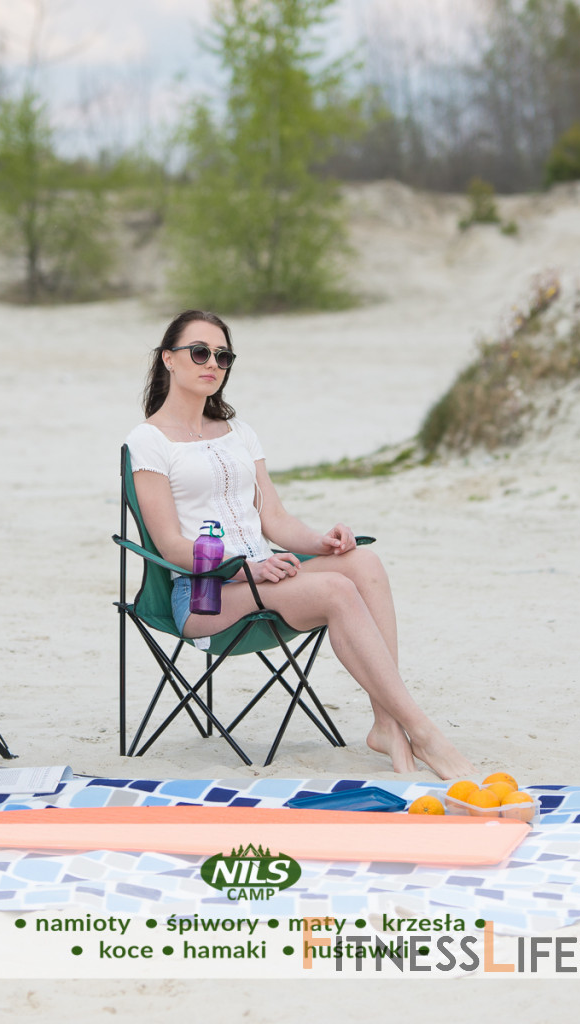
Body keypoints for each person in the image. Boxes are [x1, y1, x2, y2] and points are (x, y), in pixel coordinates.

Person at [125, 309, 476, 779]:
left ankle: (387, 725)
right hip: (206, 594)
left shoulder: (238, 432)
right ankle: (424, 733)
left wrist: (321, 541)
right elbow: (170, 545)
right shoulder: (148, 440)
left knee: (363, 562)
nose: (213, 364)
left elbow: (274, 519)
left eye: (223, 356)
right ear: (169, 358)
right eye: (200, 352)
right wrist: (244, 569)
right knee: (336, 590)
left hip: (266, 578)